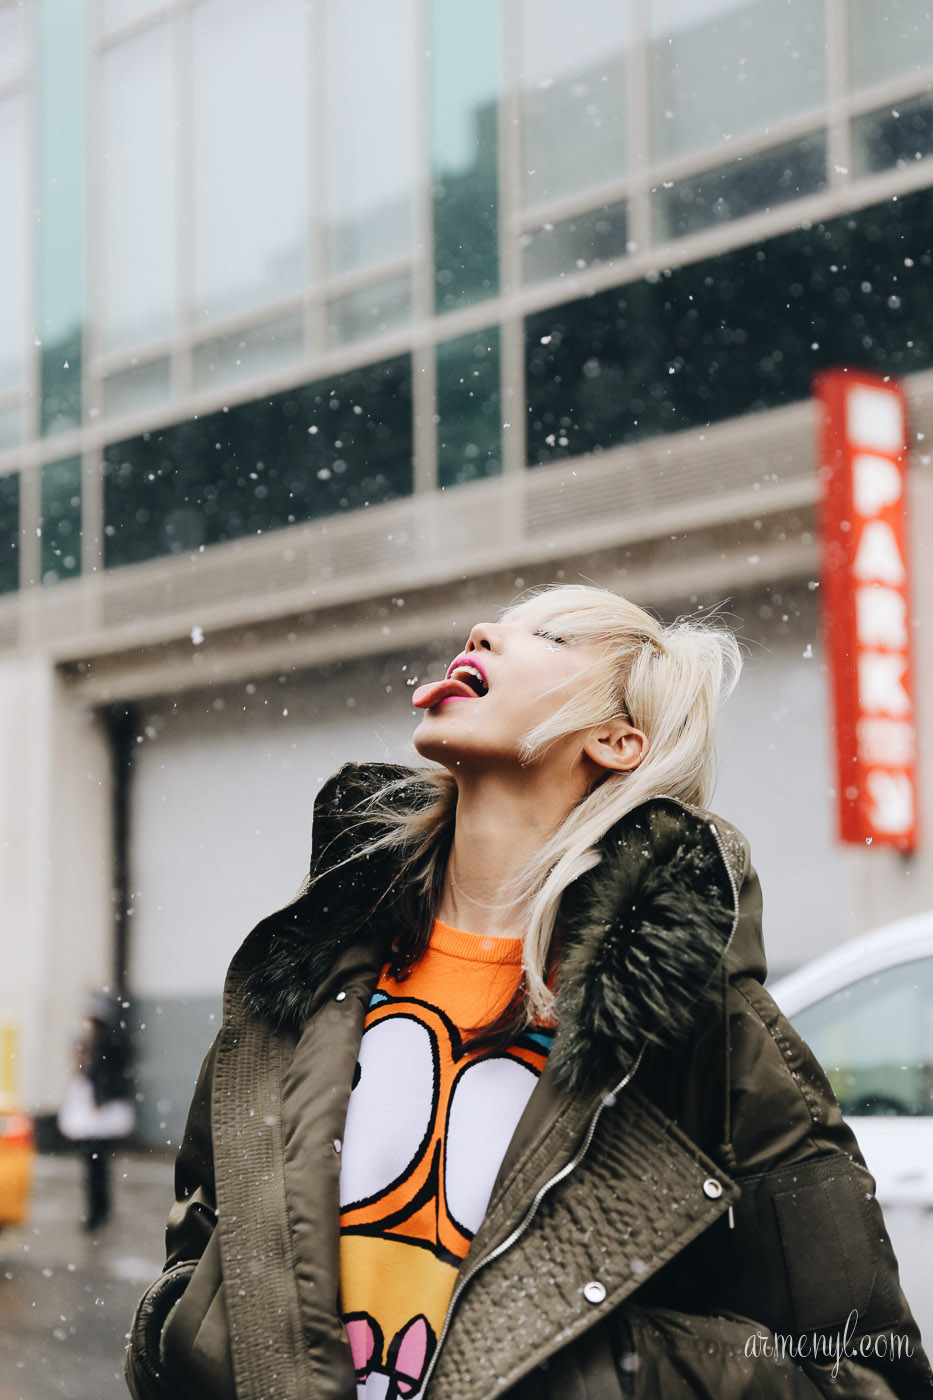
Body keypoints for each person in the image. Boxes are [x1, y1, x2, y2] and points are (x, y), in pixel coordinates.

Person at [126, 585, 931, 1399]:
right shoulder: (311, 961)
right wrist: (178, 1335)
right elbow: (201, 1246)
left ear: (617, 741)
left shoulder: (693, 1025)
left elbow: (865, 1373)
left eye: (546, 635)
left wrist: (609, 1374)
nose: (481, 630)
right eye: (494, 625)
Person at [58, 991, 134, 1231]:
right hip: (96, 1114)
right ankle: (99, 1211)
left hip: (97, 1115)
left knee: (95, 1166)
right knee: (97, 1166)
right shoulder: (107, 1040)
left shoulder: (107, 1041)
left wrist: (100, 1096)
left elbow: (107, 1074)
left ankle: (97, 1213)